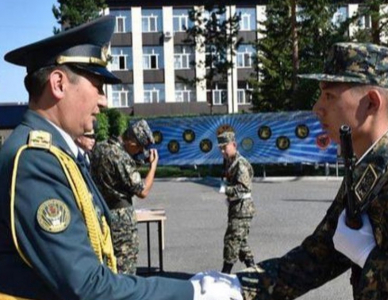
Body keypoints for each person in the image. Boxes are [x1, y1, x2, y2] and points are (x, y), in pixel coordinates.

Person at [0, 15, 241, 300]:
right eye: (98, 86)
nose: (103, 100)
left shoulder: (57, 154)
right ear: (59, 84)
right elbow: (88, 286)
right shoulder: (35, 161)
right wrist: (192, 292)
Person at [197, 42, 388, 299]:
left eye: (329, 96)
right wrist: (234, 287)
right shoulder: (367, 173)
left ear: (371, 104)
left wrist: (368, 256)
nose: (317, 108)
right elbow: (315, 257)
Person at [90, 119, 158, 275]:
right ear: (132, 143)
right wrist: (153, 167)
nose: (139, 151)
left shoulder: (100, 148)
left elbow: (117, 174)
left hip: (101, 213)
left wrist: (136, 161)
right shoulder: (121, 157)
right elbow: (143, 191)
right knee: (125, 270)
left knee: (107, 266)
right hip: (121, 220)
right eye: (139, 148)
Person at [217, 131, 256, 274]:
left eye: (224, 147)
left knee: (232, 240)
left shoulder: (240, 164)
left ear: (234, 144)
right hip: (236, 208)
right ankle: (254, 271)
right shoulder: (229, 162)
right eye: (220, 148)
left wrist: (225, 189)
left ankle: (224, 275)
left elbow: (244, 188)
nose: (222, 151)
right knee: (241, 243)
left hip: (242, 209)